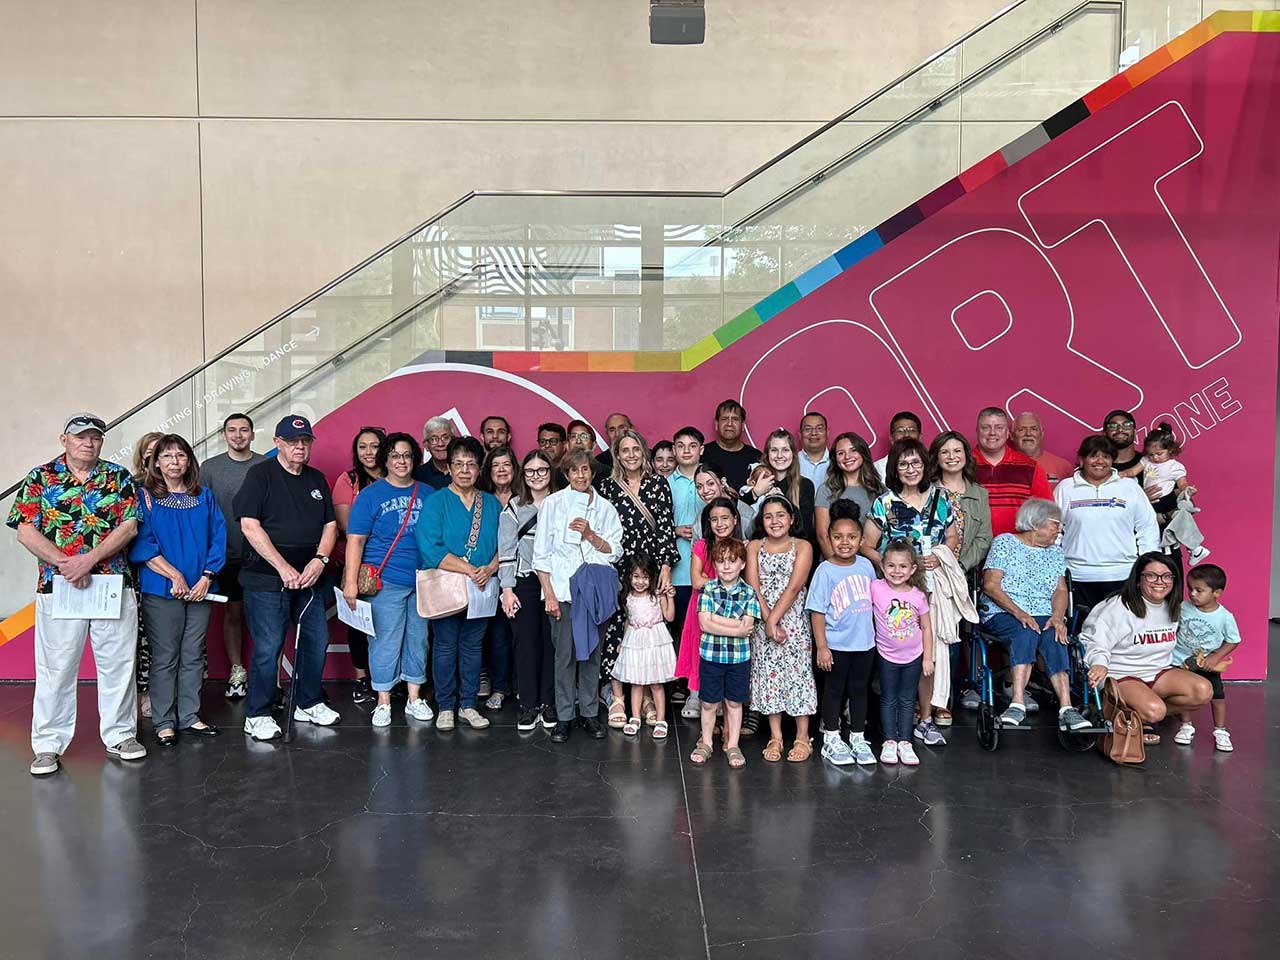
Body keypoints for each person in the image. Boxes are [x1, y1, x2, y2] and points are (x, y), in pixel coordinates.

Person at [11, 413, 145, 776]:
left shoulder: (117, 477)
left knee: (118, 666)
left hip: (112, 585)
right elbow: (25, 530)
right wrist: (66, 563)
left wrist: (88, 560)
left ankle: (120, 736)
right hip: (59, 587)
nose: (88, 442)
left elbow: (130, 525)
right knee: (56, 669)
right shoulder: (41, 477)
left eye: (95, 437)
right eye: (81, 437)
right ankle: (48, 746)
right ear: (64, 440)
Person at [235, 415, 340, 741]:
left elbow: (330, 526)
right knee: (268, 647)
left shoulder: (316, 479)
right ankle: (258, 713)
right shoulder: (260, 475)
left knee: (315, 641)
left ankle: (308, 702)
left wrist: (319, 561)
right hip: (267, 580)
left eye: (305, 441)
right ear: (278, 442)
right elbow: (249, 526)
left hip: (310, 578)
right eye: (293, 441)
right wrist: (283, 567)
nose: (300, 446)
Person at [130, 434, 226, 746]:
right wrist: (174, 576)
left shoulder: (204, 496)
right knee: (165, 655)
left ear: (189, 461)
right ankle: (163, 721)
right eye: (167, 456)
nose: (175, 462)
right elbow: (143, 543)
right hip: (162, 589)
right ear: (155, 461)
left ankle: (189, 716)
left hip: (201, 589)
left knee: (193, 654)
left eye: (180, 455)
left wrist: (206, 577)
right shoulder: (144, 497)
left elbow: (218, 538)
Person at [533, 449, 624, 743]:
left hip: (595, 593)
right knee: (564, 656)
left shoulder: (606, 508)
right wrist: (549, 595)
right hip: (563, 591)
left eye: (585, 470)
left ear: (593, 473)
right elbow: (541, 555)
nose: (581, 475)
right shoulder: (553, 504)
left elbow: (616, 551)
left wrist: (591, 535)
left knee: (592, 656)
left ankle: (588, 712)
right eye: (575, 471)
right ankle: (563, 717)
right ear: (567, 474)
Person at [341, 432, 431, 728]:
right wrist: (351, 582)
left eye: (406, 455)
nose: (401, 461)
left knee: (418, 640)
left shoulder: (428, 493)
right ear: (386, 460)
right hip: (384, 581)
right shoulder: (371, 495)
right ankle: (383, 701)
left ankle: (415, 698)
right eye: (394, 455)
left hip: (422, 581)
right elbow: (355, 541)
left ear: (415, 459)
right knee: (384, 642)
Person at [978, 499, 1090, 731]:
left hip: (1043, 613)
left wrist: (1058, 618)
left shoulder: (1055, 552)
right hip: (1003, 611)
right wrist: (1019, 612)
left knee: (1055, 634)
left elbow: (1060, 590)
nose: (1058, 530)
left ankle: (1067, 708)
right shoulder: (1005, 543)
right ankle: (1017, 702)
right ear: (1035, 523)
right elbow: (990, 585)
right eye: (1054, 524)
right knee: (1025, 629)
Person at [595, 429, 680, 728]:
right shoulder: (606, 487)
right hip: (618, 568)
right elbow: (602, 530)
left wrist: (666, 567)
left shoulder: (658, 484)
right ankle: (618, 694)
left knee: (646, 635)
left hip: (649, 567)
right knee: (618, 632)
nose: (631, 455)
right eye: (624, 450)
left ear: (643, 453)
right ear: (616, 455)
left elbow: (666, 528)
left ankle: (644, 696)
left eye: (636, 449)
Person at [416, 436, 500, 732]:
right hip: (447, 586)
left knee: (473, 646)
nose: (465, 470)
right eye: (459, 464)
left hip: (482, 586)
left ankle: (468, 705)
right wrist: (469, 569)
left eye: (471, 464)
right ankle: (446, 706)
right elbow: (430, 548)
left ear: (480, 469)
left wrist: (489, 568)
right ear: (448, 468)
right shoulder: (436, 501)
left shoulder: (490, 503)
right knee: (445, 646)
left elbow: (504, 543)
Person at [1082, 553, 1213, 737]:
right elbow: (1093, 639)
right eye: (1151, 575)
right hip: (1120, 673)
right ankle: (1125, 708)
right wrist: (1099, 662)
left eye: (1166, 576)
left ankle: (1138, 716)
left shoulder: (1173, 606)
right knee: (1155, 710)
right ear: (1138, 579)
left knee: (1203, 691)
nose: (1160, 581)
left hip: (1157, 672)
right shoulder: (1118, 606)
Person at [747, 494, 817, 763]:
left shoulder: (802, 545)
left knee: (798, 674)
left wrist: (774, 620)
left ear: (791, 519)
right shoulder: (754, 546)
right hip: (763, 618)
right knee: (768, 674)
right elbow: (753, 585)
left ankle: (802, 736)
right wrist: (767, 621)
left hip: (793, 620)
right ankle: (775, 735)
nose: (774, 521)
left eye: (780, 515)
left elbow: (794, 586)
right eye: (768, 516)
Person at [807, 499, 878, 766]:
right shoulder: (825, 570)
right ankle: (832, 738)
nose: (845, 542)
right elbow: (817, 612)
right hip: (836, 645)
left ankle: (858, 737)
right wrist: (822, 646)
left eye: (851, 537)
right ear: (829, 539)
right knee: (834, 691)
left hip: (864, 645)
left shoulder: (867, 567)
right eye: (838, 537)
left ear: (861, 539)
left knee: (860, 691)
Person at [200, 413, 266, 700]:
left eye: (244, 430)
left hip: (261, 556)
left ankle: (269, 681)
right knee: (233, 615)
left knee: (265, 618)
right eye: (232, 430)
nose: (238, 435)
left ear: (252, 434)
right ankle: (237, 671)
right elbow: (201, 512)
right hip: (225, 555)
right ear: (224, 435)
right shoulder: (210, 468)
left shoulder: (266, 465)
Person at [929, 430, 993, 722]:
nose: (952, 457)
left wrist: (958, 566)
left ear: (966, 455)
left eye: (957, 451)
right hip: (927, 573)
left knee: (952, 638)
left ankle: (946, 700)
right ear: (937, 458)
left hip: (961, 576)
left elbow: (983, 538)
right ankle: (924, 699)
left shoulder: (978, 492)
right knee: (927, 637)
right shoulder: (927, 489)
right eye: (945, 452)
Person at [1053, 435, 1159, 612]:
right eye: (1094, 456)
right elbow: (1054, 531)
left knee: (1122, 633)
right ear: (1081, 459)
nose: (1100, 461)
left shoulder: (1129, 487)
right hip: (1077, 576)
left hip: (1123, 575)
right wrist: (1056, 568)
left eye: (1106, 456)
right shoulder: (1065, 488)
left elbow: (1147, 527)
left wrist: (1145, 566)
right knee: (1081, 635)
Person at [499, 450, 560, 732]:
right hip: (524, 582)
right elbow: (507, 552)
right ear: (523, 475)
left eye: (542, 470)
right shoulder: (513, 508)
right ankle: (528, 705)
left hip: (557, 583)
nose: (537, 476)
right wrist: (507, 590)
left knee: (551, 644)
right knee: (525, 644)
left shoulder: (562, 503)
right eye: (531, 471)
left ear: (551, 472)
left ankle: (548, 703)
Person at [690, 537, 762, 769]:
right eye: (721, 562)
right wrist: (735, 625)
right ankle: (707, 742)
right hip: (711, 657)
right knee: (709, 703)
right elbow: (705, 625)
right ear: (715, 564)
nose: (727, 566)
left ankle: (732, 744)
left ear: (742, 564)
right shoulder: (708, 588)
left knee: (734, 703)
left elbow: (748, 628)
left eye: (732, 561)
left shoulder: (749, 593)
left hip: (738, 659)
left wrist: (719, 622)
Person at [675, 497, 743, 722]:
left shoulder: (743, 546)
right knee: (699, 649)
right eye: (714, 519)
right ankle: (695, 695)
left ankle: (723, 698)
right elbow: (696, 580)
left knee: (729, 650)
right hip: (702, 607)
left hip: (733, 608)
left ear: (735, 519)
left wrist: (711, 579)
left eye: (725, 518)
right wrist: (727, 581)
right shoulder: (702, 545)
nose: (720, 523)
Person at [331, 425, 385, 703]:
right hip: (358, 564)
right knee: (360, 623)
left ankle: (388, 678)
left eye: (374, 446)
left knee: (389, 624)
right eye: (362, 446)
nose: (368, 452)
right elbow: (346, 525)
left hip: (393, 565)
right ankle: (361, 677)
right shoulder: (348, 480)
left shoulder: (396, 476)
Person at [872, 539, 933, 766]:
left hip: (914, 656)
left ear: (913, 569)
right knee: (889, 698)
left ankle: (905, 742)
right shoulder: (876, 588)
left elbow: (926, 627)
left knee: (907, 699)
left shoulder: (918, 595)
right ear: (883, 566)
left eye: (903, 566)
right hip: (886, 655)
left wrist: (927, 657)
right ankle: (889, 741)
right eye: (891, 566)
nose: (896, 571)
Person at [1119, 423, 1210, 565]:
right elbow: (1131, 472)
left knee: (1175, 517)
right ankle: (1196, 548)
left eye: (1159, 454)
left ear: (1170, 450)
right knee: (1162, 524)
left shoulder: (1175, 467)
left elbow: (1182, 484)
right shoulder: (1146, 461)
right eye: (1151, 454)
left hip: (1166, 500)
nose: (1155, 458)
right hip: (1149, 502)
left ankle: (1194, 546)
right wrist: (1118, 475)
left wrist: (1188, 490)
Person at [1171, 564, 1239, 752]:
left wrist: (1216, 657)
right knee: (1183, 694)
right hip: (1180, 662)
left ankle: (1220, 730)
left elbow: (1233, 640)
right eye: (1190, 588)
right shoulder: (1183, 607)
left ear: (1217, 592)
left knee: (1217, 697)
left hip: (1207, 664)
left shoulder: (1224, 617)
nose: (1192, 594)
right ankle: (1186, 726)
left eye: (1199, 590)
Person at [477, 445, 524, 708]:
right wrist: (491, 567)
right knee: (497, 637)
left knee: (522, 635)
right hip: (490, 578)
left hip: (523, 576)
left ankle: (521, 685)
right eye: (496, 465)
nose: (502, 470)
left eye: (506, 464)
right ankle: (501, 687)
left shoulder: (525, 498)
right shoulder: (482, 501)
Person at [612, 552, 676, 739]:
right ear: (629, 577)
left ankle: (661, 720)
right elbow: (628, 621)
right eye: (636, 577)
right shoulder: (628, 598)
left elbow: (670, 617)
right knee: (636, 682)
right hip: (635, 640)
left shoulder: (657, 595)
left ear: (652, 577)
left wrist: (670, 597)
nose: (640, 582)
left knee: (656, 683)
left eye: (645, 577)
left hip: (654, 641)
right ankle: (635, 717)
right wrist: (623, 643)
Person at [972, 407, 1052, 537]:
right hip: (972, 551)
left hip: (1017, 551)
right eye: (985, 428)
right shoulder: (963, 465)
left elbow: (1046, 512)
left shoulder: (1030, 467)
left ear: (1007, 433)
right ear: (977, 431)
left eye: (999, 427)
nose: (992, 433)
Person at [129, 431, 163, 719]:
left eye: (160, 452)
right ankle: (142, 693)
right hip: (138, 572)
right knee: (141, 638)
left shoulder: (185, 487)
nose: (155, 458)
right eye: (150, 453)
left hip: (174, 573)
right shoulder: (133, 486)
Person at [668, 427, 704, 677]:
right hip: (677, 570)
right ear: (674, 450)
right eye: (681, 445)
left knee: (701, 629)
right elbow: (653, 526)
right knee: (676, 628)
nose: (687, 450)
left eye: (692, 445)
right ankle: (677, 685)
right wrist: (675, 529)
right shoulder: (664, 484)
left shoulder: (710, 481)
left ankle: (696, 685)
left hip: (706, 571)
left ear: (701, 449)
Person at [815, 432, 883, 561]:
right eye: (841, 453)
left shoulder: (878, 490)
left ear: (863, 453)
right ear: (835, 459)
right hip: (835, 565)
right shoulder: (826, 490)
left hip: (870, 565)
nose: (847, 457)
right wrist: (840, 567)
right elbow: (822, 535)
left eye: (853, 450)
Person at [741, 429, 816, 544]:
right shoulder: (758, 479)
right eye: (774, 450)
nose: (780, 456)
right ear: (767, 454)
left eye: (785, 450)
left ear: (793, 454)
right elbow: (738, 515)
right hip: (761, 549)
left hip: (793, 550)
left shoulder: (805, 485)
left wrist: (782, 501)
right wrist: (755, 492)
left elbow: (805, 531)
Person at [701, 399, 761, 490]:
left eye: (735, 419)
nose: (729, 424)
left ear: (743, 425)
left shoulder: (756, 457)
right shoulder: (702, 454)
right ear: (716, 424)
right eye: (724, 419)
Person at [1012, 412, 1075, 485]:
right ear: (1011, 435)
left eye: (1034, 429)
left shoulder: (1063, 467)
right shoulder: (1000, 466)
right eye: (1021, 430)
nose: (1028, 434)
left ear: (1042, 434)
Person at [695, 461, 754, 533]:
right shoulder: (701, 517)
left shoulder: (745, 514)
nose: (705, 491)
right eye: (699, 487)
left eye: (711, 483)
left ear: (723, 482)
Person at [872, 411, 924, 477]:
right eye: (900, 431)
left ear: (920, 437)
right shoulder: (876, 470)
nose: (906, 435)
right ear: (891, 439)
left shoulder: (931, 466)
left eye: (912, 430)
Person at [413, 416, 455, 491]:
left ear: (454, 440)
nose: (440, 444)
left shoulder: (465, 471)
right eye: (433, 439)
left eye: (445, 438)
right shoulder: (417, 476)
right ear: (426, 445)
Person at [1102, 409, 1142, 474]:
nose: (1120, 429)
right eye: (1113, 426)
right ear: (1104, 433)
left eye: (1127, 425)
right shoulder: (1098, 465)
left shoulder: (1149, 462)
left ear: (1135, 432)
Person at [798, 412, 830, 489]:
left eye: (819, 428)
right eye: (808, 429)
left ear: (827, 433)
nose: (814, 433)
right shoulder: (791, 462)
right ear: (800, 435)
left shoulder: (838, 461)